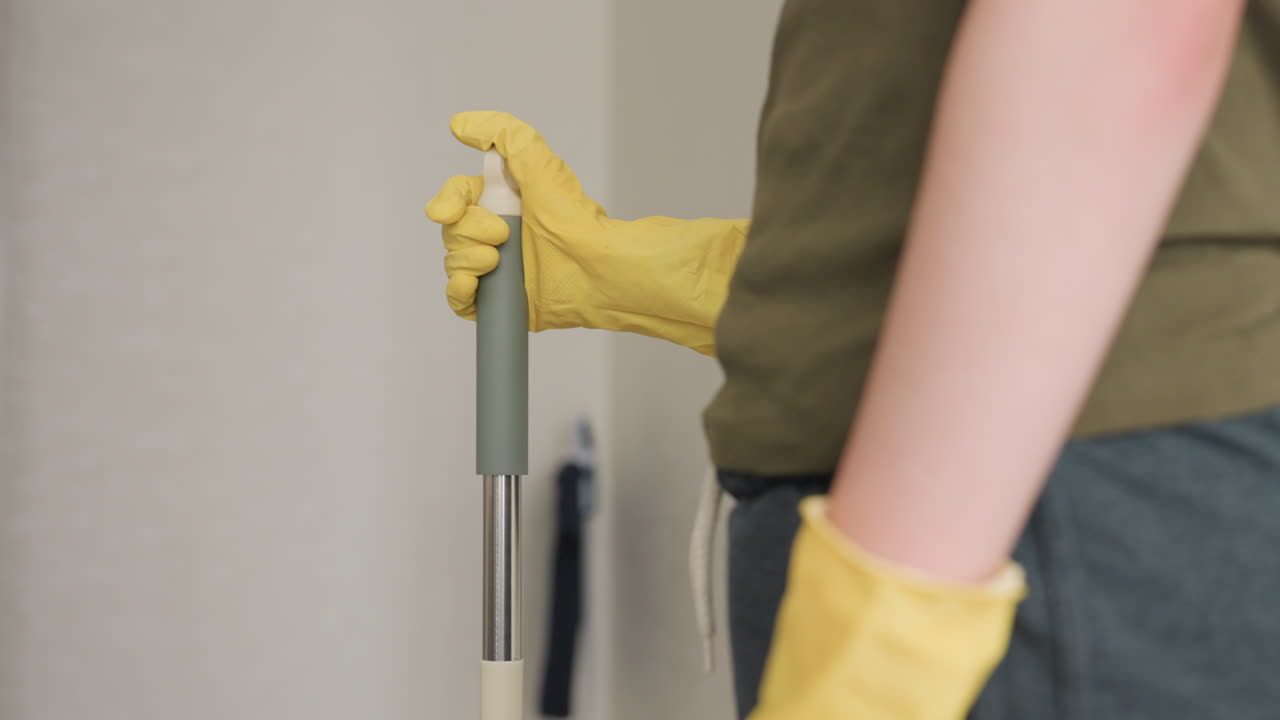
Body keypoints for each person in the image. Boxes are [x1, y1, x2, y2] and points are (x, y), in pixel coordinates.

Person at [429, 1, 1280, 718]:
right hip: (1005, 502)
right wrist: (649, 279)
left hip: (1050, 509)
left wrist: (890, 632)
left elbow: (1119, 30)